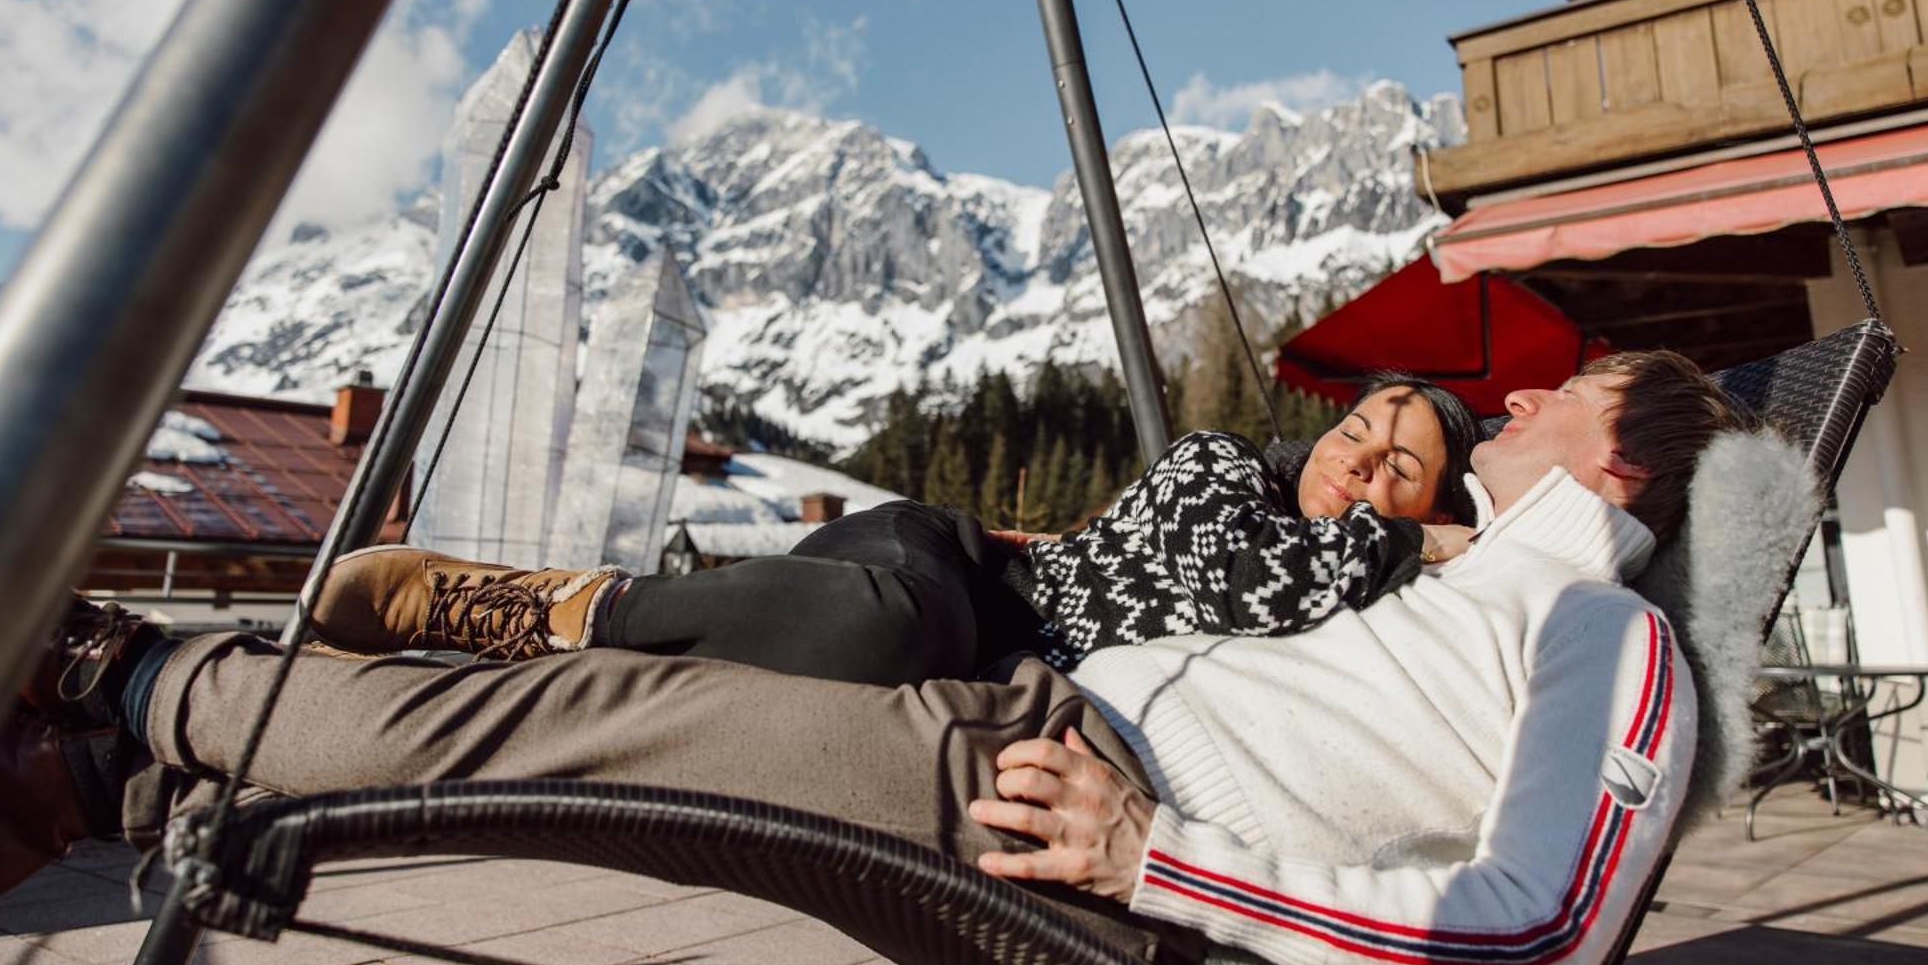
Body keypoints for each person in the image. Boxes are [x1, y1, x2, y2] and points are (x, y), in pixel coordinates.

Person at [0, 350, 1740, 965]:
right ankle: (102, 770)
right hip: (1035, 722)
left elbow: (1533, 935)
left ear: (1626, 462)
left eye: (1558, 398)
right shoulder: (1461, 588)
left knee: (574, 733)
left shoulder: (1609, 630)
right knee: (590, 746)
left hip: (1060, 821)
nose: (1514, 397)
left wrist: (1154, 859)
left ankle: (120, 667)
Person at [308, 373, 1486, 684]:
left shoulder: (1349, 576)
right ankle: (530, 602)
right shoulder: (1216, 467)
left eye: (1400, 468)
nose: (1359, 457)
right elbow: (1242, 576)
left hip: (956, 627)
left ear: (1435, 501)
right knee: (899, 629)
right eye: (1361, 427)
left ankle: (556, 632)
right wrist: (1404, 538)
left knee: (889, 643)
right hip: (944, 562)